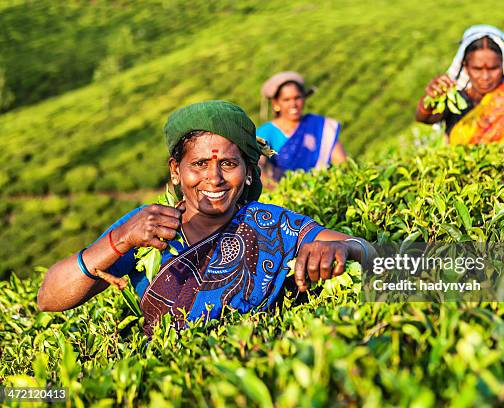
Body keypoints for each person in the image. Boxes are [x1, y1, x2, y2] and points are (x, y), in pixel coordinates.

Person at [37, 101, 374, 337]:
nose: (213, 179)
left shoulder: (271, 223)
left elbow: (376, 256)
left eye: (228, 164)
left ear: (247, 173)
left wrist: (344, 249)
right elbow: (49, 298)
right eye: (198, 164)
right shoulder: (145, 230)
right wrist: (118, 241)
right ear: (175, 171)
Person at [257, 71, 347, 184]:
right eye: (286, 100)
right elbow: (258, 166)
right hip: (285, 193)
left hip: (322, 189)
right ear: (276, 103)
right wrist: (277, 190)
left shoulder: (319, 126)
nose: (293, 104)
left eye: (297, 98)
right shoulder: (265, 132)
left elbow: (342, 162)